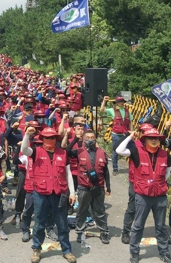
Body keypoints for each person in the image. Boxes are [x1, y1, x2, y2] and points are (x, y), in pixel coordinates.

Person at [20, 127, 76, 263]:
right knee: (39, 222)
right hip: (41, 193)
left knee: (62, 223)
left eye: (52, 138)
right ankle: (36, 249)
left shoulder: (63, 153)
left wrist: (72, 193)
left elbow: (68, 173)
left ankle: (67, 250)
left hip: (59, 193)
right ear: (42, 139)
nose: (49, 140)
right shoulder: (36, 152)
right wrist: (27, 134)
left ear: (56, 139)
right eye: (46, 137)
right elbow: (23, 150)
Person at [116, 129, 171, 263]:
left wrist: (158, 183)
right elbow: (119, 150)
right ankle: (134, 252)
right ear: (144, 139)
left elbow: (167, 172)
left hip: (160, 196)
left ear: (159, 140)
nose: (154, 140)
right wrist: (129, 136)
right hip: (142, 195)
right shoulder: (136, 152)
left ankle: (164, 252)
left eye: (156, 138)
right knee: (138, 225)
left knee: (161, 227)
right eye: (150, 138)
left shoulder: (165, 154)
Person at [66, 129, 110, 244]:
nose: (90, 139)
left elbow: (106, 171)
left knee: (100, 211)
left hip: (99, 187)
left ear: (95, 139)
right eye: (87, 137)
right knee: (82, 210)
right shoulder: (79, 151)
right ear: (84, 139)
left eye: (92, 137)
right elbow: (67, 151)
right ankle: (79, 232)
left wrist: (108, 187)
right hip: (83, 187)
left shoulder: (102, 152)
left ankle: (104, 232)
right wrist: (76, 138)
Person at [100, 96, 133, 175]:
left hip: (125, 134)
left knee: (131, 151)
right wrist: (104, 101)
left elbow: (130, 122)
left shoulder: (127, 111)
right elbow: (102, 110)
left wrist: (131, 132)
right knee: (115, 152)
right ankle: (115, 168)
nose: (122, 103)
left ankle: (132, 169)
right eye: (120, 101)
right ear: (117, 103)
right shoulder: (112, 110)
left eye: (122, 101)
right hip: (116, 135)